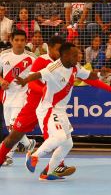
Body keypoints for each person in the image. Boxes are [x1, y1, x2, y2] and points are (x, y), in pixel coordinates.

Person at [19, 42, 111, 181]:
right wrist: (24, 80)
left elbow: (89, 76)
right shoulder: (54, 68)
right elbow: (37, 74)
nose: (78, 57)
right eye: (74, 55)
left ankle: (47, 173)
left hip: (61, 110)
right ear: (64, 55)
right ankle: (33, 156)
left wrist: (102, 74)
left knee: (68, 144)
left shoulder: (75, 67)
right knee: (59, 138)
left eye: (78, 54)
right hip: (49, 108)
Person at [0, 36, 74, 176]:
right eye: (58, 50)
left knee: (56, 136)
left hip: (50, 107)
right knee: (14, 137)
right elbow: (32, 83)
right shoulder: (41, 60)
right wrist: (45, 91)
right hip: (33, 105)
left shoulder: (65, 64)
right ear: (49, 48)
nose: (61, 53)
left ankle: (56, 167)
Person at [0, 29, 37, 166]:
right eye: (17, 40)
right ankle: (29, 143)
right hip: (7, 97)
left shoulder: (32, 58)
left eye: (22, 40)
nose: (19, 43)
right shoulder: (3, 55)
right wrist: (1, 81)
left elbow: (38, 77)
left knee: (14, 128)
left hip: (23, 97)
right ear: (11, 41)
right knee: (12, 129)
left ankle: (7, 156)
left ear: (26, 41)